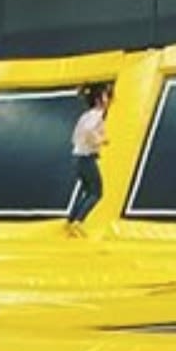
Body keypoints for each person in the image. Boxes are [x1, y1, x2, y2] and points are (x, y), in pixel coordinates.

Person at [66, 83, 112, 236]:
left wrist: (85, 144)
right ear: (99, 100)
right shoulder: (97, 115)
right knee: (97, 192)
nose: (108, 100)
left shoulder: (86, 115)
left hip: (77, 157)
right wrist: (100, 141)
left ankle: (71, 221)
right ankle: (78, 222)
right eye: (105, 96)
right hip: (86, 158)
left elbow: (75, 136)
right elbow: (88, 130)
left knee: (88, 191)